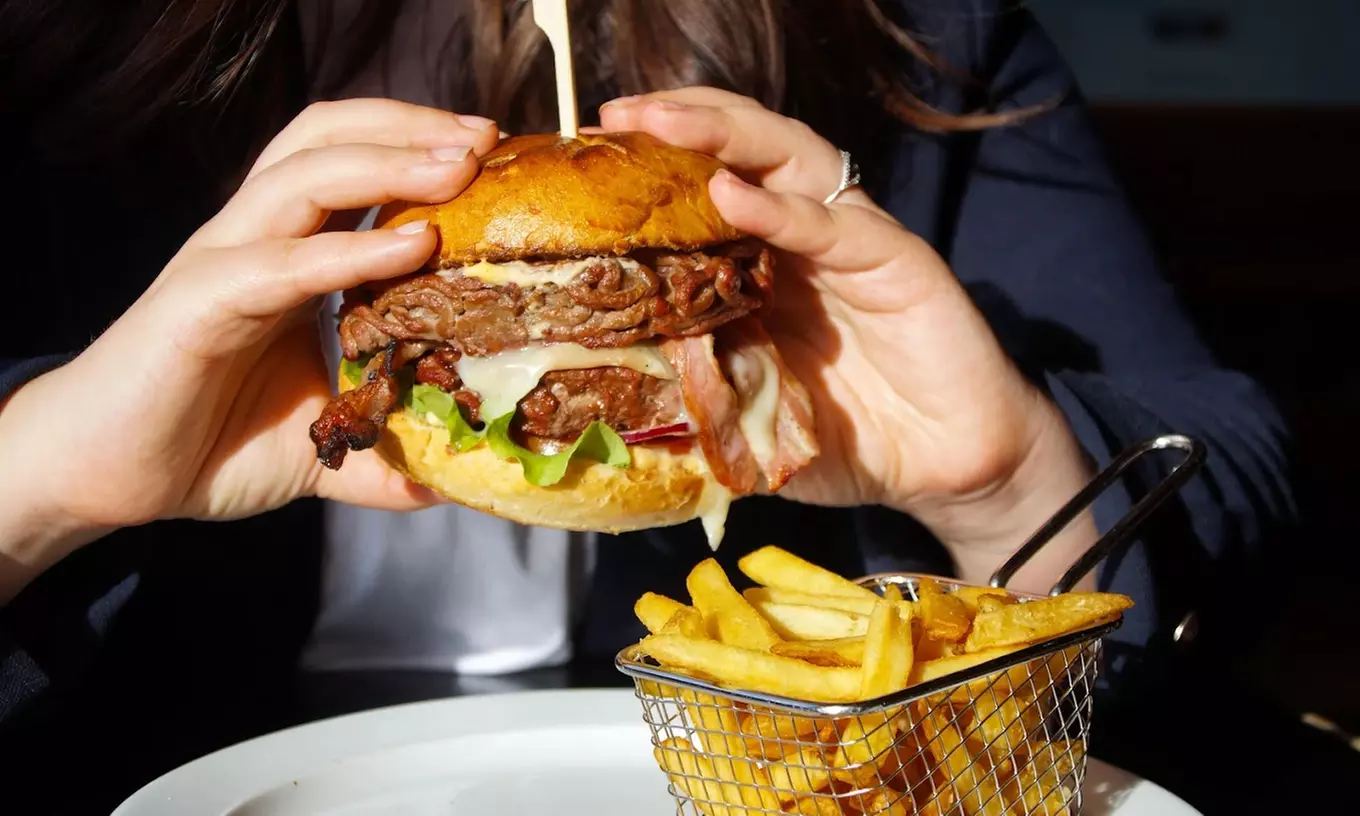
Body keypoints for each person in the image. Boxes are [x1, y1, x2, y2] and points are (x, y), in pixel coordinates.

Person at [0, 0, 1291, 811]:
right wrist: (41, 477)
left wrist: (1001, 473)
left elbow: (1246, 473)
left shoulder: (910, 32)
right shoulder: (53, 56)